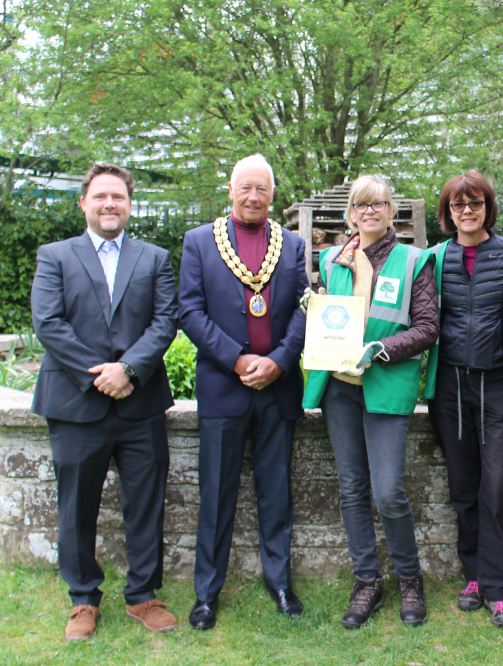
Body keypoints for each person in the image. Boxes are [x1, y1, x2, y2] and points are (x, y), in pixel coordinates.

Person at [31, 163, 179, 641]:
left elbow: (164, 322)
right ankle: (82, 599)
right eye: (100, 197)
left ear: (129, 204)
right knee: (76, 506)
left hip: (140, 405)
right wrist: (101, 375)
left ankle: (143, 595)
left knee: (146, 504)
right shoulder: (55, 256)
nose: (109, 204)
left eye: (118, 197)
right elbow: (49, 323)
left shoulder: (154, 258)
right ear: (84, 203)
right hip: (76, 404)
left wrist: (128, 370)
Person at [302, 174, 439, 629]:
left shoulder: (413, 260)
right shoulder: (331, 257)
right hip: (340, 387)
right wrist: (315, 308)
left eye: (378, 203)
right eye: (361, 205)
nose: (370, 211)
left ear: (391, 209)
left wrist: (381, 349)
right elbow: (332, 314)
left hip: (385, 384)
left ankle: (409, 578)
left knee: (388, 491)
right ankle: (366, 581)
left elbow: (427, 327)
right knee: (351, 489)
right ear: (351, 213)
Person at [178, 154, 309, 630]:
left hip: (278, 387)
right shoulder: (198, 242)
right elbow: (189, 311)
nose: (253, 196)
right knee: (216, 495)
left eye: (262, 189)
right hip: (223, 386)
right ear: (230, 189)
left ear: (273, 195)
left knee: (277, 492)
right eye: (245, 187)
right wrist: (236, 359)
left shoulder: (292, 245)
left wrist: (278, 361)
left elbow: (303, 309)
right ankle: (207, 593)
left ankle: (279, 581)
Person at [422, 172, 503, 628]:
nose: (466, 211)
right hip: (450, 387)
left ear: (488, 207)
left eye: (475, 203)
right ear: (447, 213)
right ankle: (473, 576)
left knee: (496, 486)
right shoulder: (432, 260)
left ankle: (499, 588)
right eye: (457, 205)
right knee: (463, 487)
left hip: (499, 385)